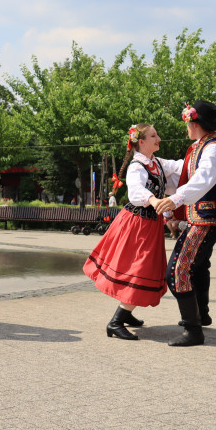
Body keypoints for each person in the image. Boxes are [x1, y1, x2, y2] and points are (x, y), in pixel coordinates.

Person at [85, 124, 179, 340]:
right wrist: (154, 200)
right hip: (137, 224)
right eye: (154, 135)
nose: (159, 139)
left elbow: (177, 166)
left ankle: (126, 314)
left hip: (148, 224)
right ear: (141, 142)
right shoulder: (137, 166)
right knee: (140, 269)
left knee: (144, 269)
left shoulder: (156, 163)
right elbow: (136, 192)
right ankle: (116, 321)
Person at [154, 100, 216, 346]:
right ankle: (201, 315)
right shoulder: (199, 147)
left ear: (195, 122)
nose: (185, 126)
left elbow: (203, 178)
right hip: (202, 217)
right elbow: (180, 169)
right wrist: (149, 160)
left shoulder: (215, 148)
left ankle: (193, 329)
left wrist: (175, 199)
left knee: (177, 270)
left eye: (187, 121)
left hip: (206, 218)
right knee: (198, 267)